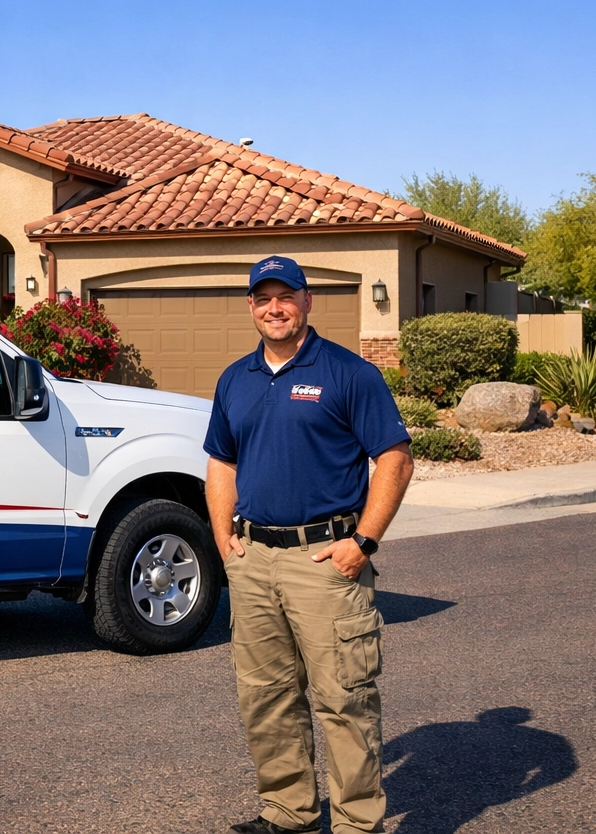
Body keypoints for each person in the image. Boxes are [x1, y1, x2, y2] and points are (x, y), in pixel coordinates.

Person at [204, 256, 414, 834]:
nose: (275, 308)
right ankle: (288, 814)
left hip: (327, 562)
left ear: (307, 301)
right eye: (263, 298)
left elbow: (395, 458)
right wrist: (223, 536)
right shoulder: (235, 379)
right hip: (253, 559)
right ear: (251, 306)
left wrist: (363, 541)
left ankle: (355, 824)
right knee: (266, 698)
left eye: (285, 296)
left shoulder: (349, 374)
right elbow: (221, 461)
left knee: (344, 700)